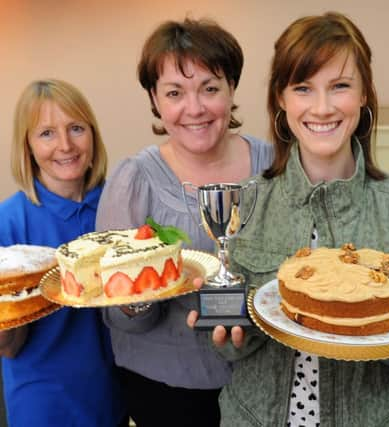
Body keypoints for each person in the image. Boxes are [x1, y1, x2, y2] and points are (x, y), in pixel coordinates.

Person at [187, 11, 389, 426]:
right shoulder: (245, 203)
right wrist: (228, 334)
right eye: (303, 88)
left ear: (363, 96)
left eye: (340, 86)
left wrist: (368, 319)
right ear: (281, 100)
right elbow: (233, 347)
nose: (322, 108)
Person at [95, 18, 273, 427]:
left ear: (232, 90)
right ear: (155, 101)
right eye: (175, 93)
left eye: (210, 88)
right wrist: (143, 292)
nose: (194, 108)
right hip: (166, 390)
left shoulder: (276, 169)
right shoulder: (133, 181)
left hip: (266, 382)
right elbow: (117, 316)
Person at [0, 79, 126, 426]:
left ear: (93, 135)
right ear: (26, 144)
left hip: (116, 398)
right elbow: (8, 345)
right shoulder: (8, 222)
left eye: (75, 128)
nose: (65, 145)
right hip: (44, 405)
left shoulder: (117, 205)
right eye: (46, 134)